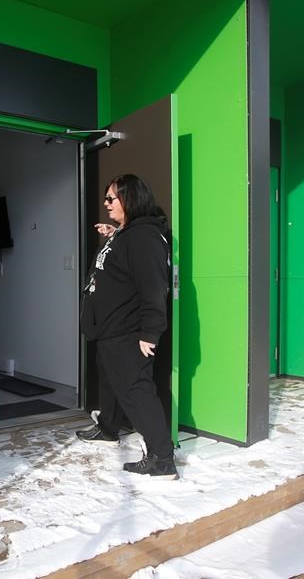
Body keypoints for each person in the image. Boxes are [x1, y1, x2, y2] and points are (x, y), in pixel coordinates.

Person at [76, 173, 177, 479]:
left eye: (111, 199)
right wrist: (114, 234)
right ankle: (108, 428)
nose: (106, 204)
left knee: (136, 391)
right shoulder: (127, 233)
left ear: (130, 199)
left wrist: (150, 333)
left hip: (128, 331)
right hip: (110, 328)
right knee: (110, 382)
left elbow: (153, 288)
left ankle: (162, 459)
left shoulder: (143, 237)